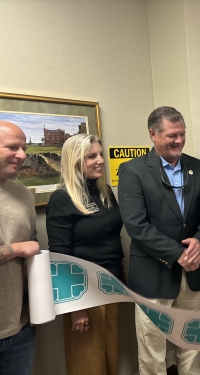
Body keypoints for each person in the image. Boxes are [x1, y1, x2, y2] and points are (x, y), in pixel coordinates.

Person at [118, 106, 200, 375]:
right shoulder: (133, 171)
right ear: (153, 134)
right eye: (172, 135)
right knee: (153, 351)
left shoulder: (197, 167)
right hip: (154, 274)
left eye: (182, 134)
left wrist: (199, 240)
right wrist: (178, 253)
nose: (179, 141)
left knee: (192, 342)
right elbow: (136, 225)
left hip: (194, 273)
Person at [46, 134, 124, 375]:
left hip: (110, 284)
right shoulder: (62, 198)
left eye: (100, 154)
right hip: (83, 292)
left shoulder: (105, 192)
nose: (100, 160)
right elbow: (59, 255)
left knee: (110, 354)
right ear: (75, 161)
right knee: (87, 362)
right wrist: (74, 308)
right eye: (92, 156)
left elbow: (113, 238)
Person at [0, 121, 39, 375]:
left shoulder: (24, 194)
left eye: (24, 148)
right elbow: (25, 248)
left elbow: (33, 252)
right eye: (13, 147)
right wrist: (15, 249)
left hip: (20, 326)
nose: (22, 155)